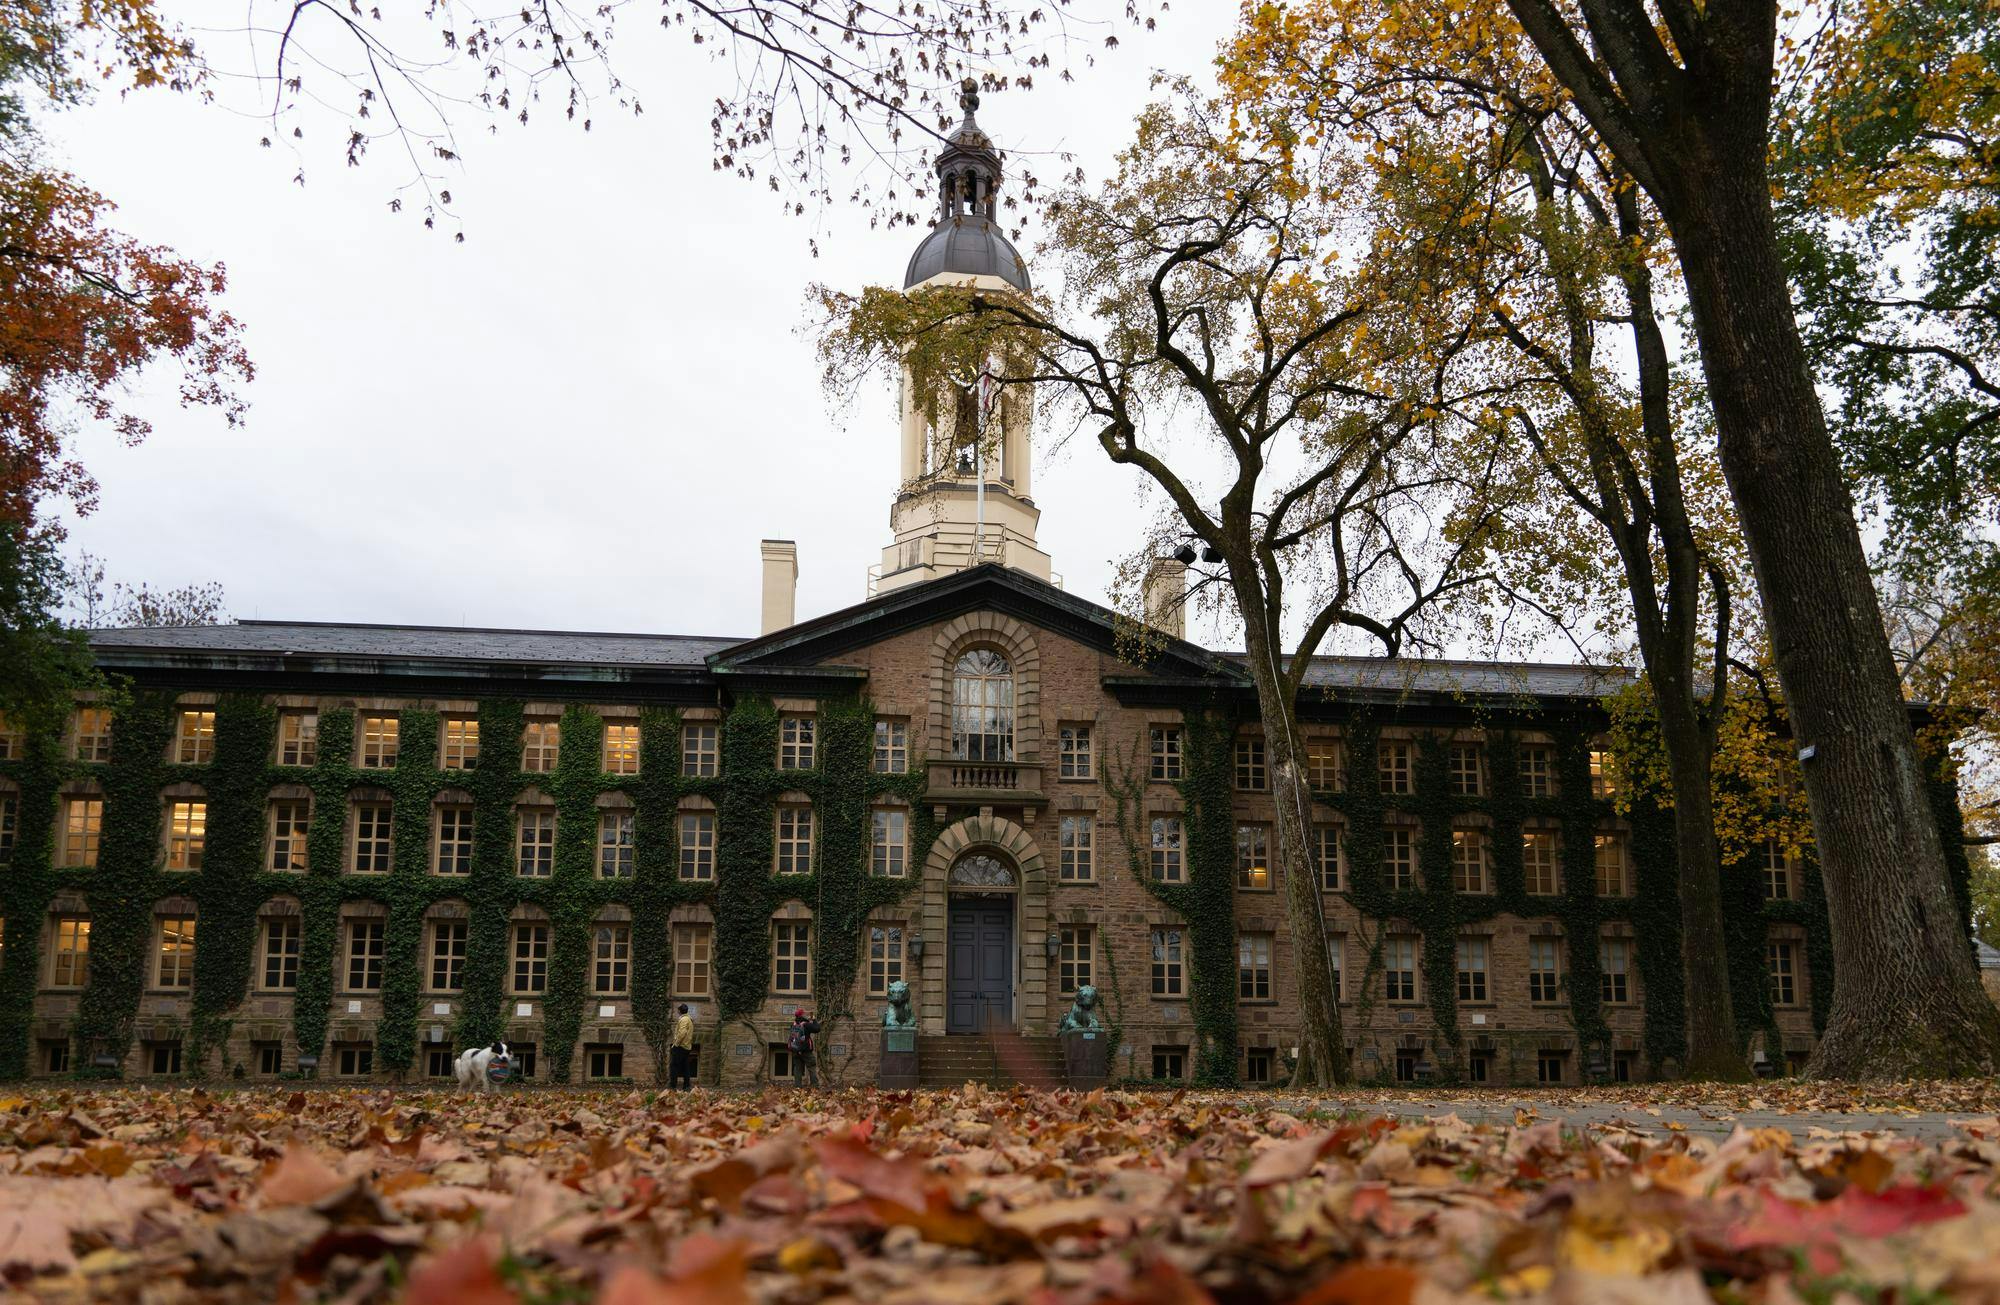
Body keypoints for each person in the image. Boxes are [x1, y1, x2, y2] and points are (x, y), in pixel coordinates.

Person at [787, 1007, 820, 1087]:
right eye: (803, 1013)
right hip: (806, 1051)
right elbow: (817, 1029)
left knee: (797, 1068)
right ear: (802, 1014)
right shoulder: (806, 1024)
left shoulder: (793, 1024)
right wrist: (814, 1020)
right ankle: (814, 1086)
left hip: (795, 1049)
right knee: (811, 1067)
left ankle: (797, 1086)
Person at [669, 1003, 696, 1091]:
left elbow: (682, 1033)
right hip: (687, 1046)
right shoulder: (689, 1019)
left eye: (678, 1010)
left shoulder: (684, 1019)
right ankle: (686, 1086)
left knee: (674, 1066)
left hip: (681, 1046)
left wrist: (676, 1044)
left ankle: (673, 1086)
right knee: (685, 1067)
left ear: (680, 1011)